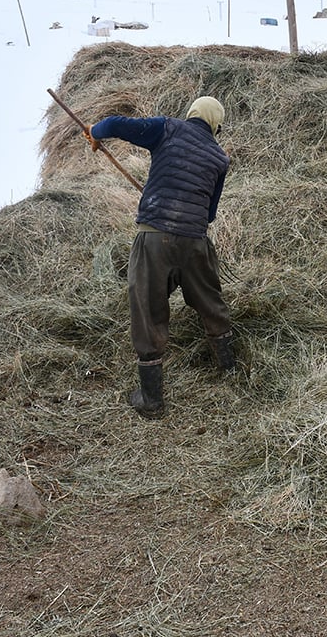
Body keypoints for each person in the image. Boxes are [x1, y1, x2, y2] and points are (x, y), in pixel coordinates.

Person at [88, 96, 236, 418]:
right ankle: (231, 372)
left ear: (192, 114)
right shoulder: (219, 158)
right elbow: (209, 214)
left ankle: (152, 400)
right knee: (211, 302)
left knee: (148, 308)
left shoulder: (167, 128)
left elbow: (114, 124)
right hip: (195, 242)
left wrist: (94, 132)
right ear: (215, 125)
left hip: (154, 238)